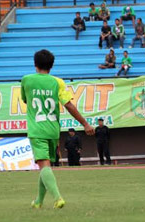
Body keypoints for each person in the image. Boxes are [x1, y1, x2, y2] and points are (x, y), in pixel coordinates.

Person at [24, 50, 94, 209]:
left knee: (44, 166)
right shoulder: (58, 82)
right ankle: (38, 201)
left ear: (35, 64)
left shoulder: (27, 80)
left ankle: (58, 198)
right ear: (52, 65)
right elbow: (68, 104)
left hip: (37, 129)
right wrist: (85, 123)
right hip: (53, 129)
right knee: (44, 166)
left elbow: (25, 99)